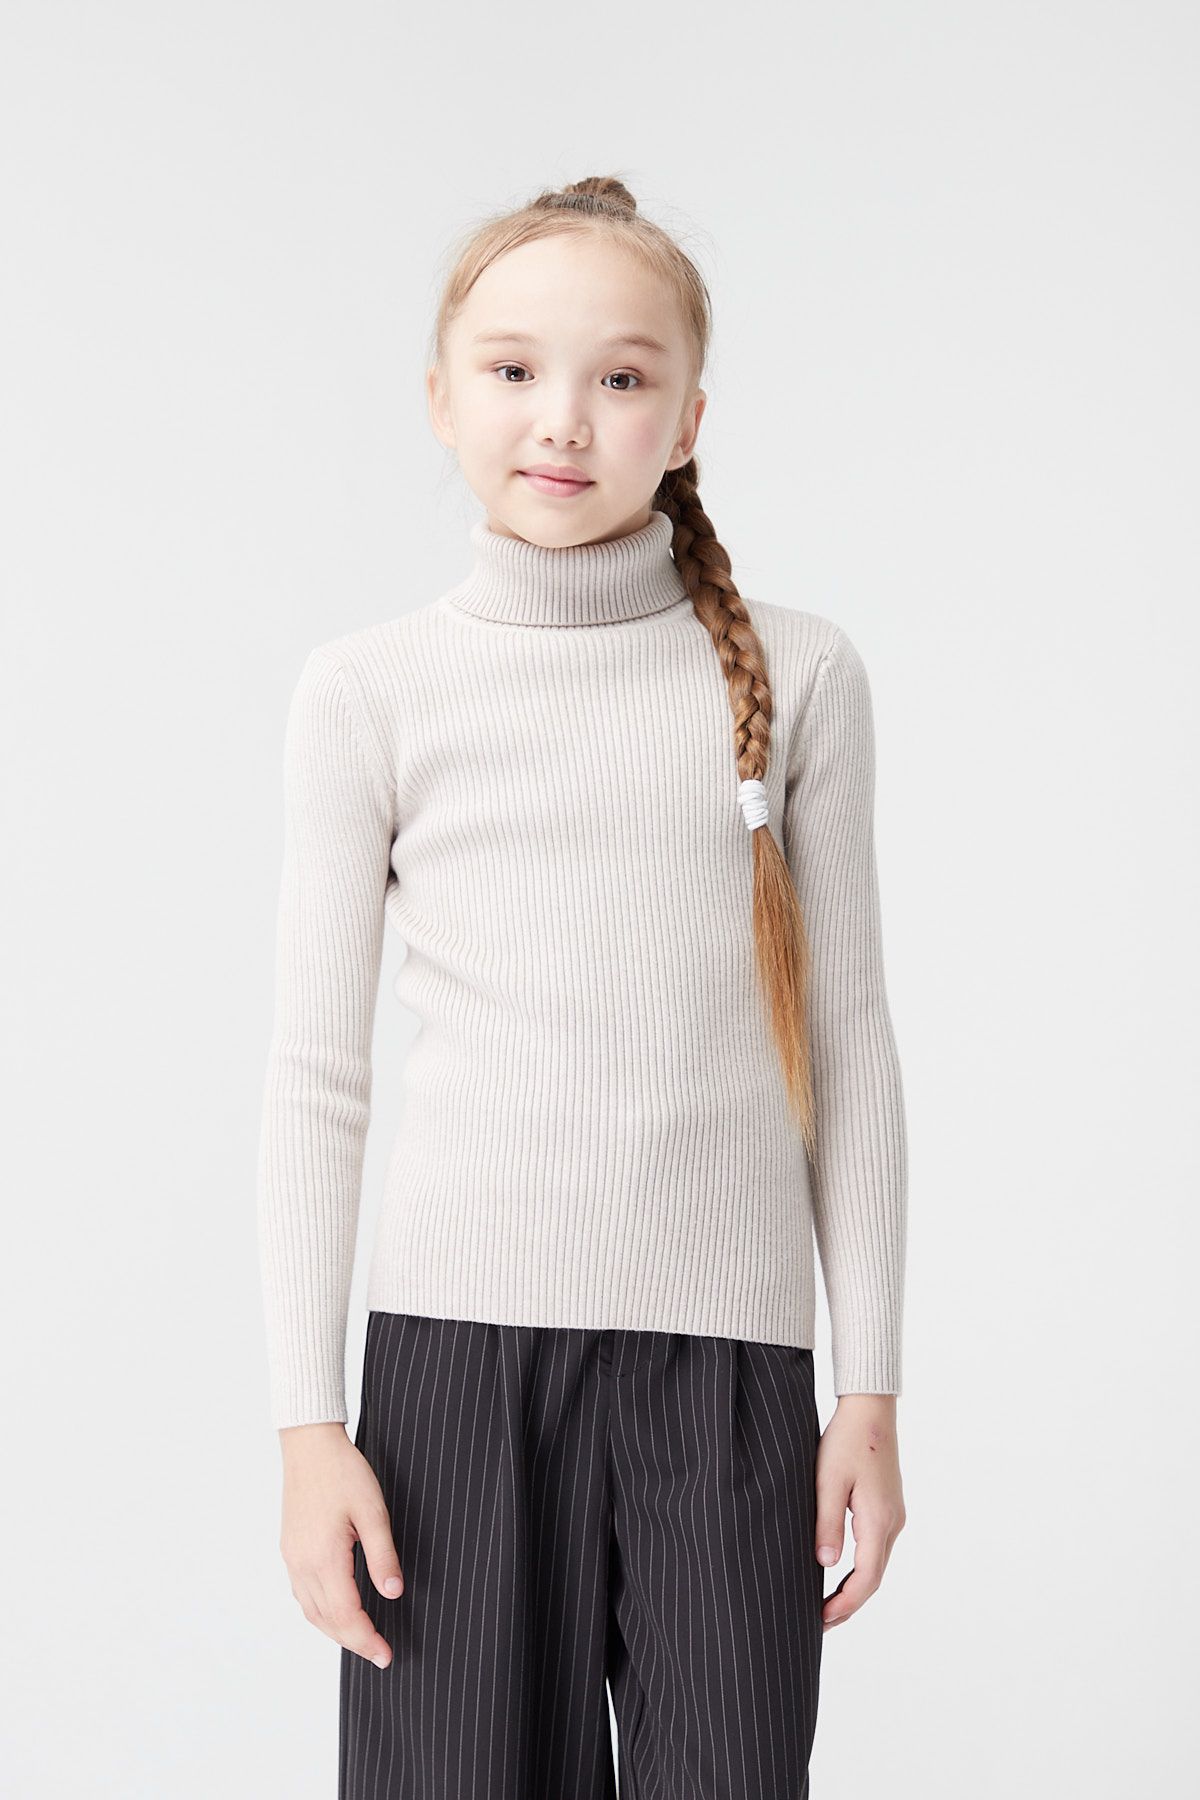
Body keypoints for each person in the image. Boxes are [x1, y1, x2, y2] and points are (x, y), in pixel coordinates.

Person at [257, 173, 908, 1800]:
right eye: (513, 369)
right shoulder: (372, 692)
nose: (562, 418)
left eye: (621, 376)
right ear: (440, 397)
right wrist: (308, 1428)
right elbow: (316, 1081)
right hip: (454, 1384)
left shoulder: (803, 675)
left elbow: (848, 1046)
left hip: (731, 1386)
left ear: (688, 421)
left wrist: (870, 1389)